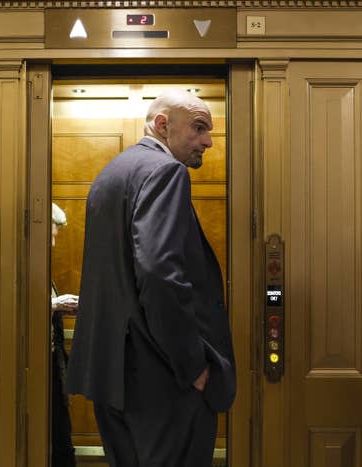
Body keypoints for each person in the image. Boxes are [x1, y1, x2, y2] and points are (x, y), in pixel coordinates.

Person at [66, 90, 236, 467]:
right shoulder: (165, 171)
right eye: (199, 128)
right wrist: (193, 367)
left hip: (111, 378)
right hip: (162, 383)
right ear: (162, 125)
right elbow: (160, 275)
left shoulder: (110, 174)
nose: (208, 140)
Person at [50, 202, 79, 467]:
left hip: (52, 366)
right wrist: (53, 305)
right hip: (35, 368)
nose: (53, 244)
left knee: (61, 436)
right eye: (51, 235)